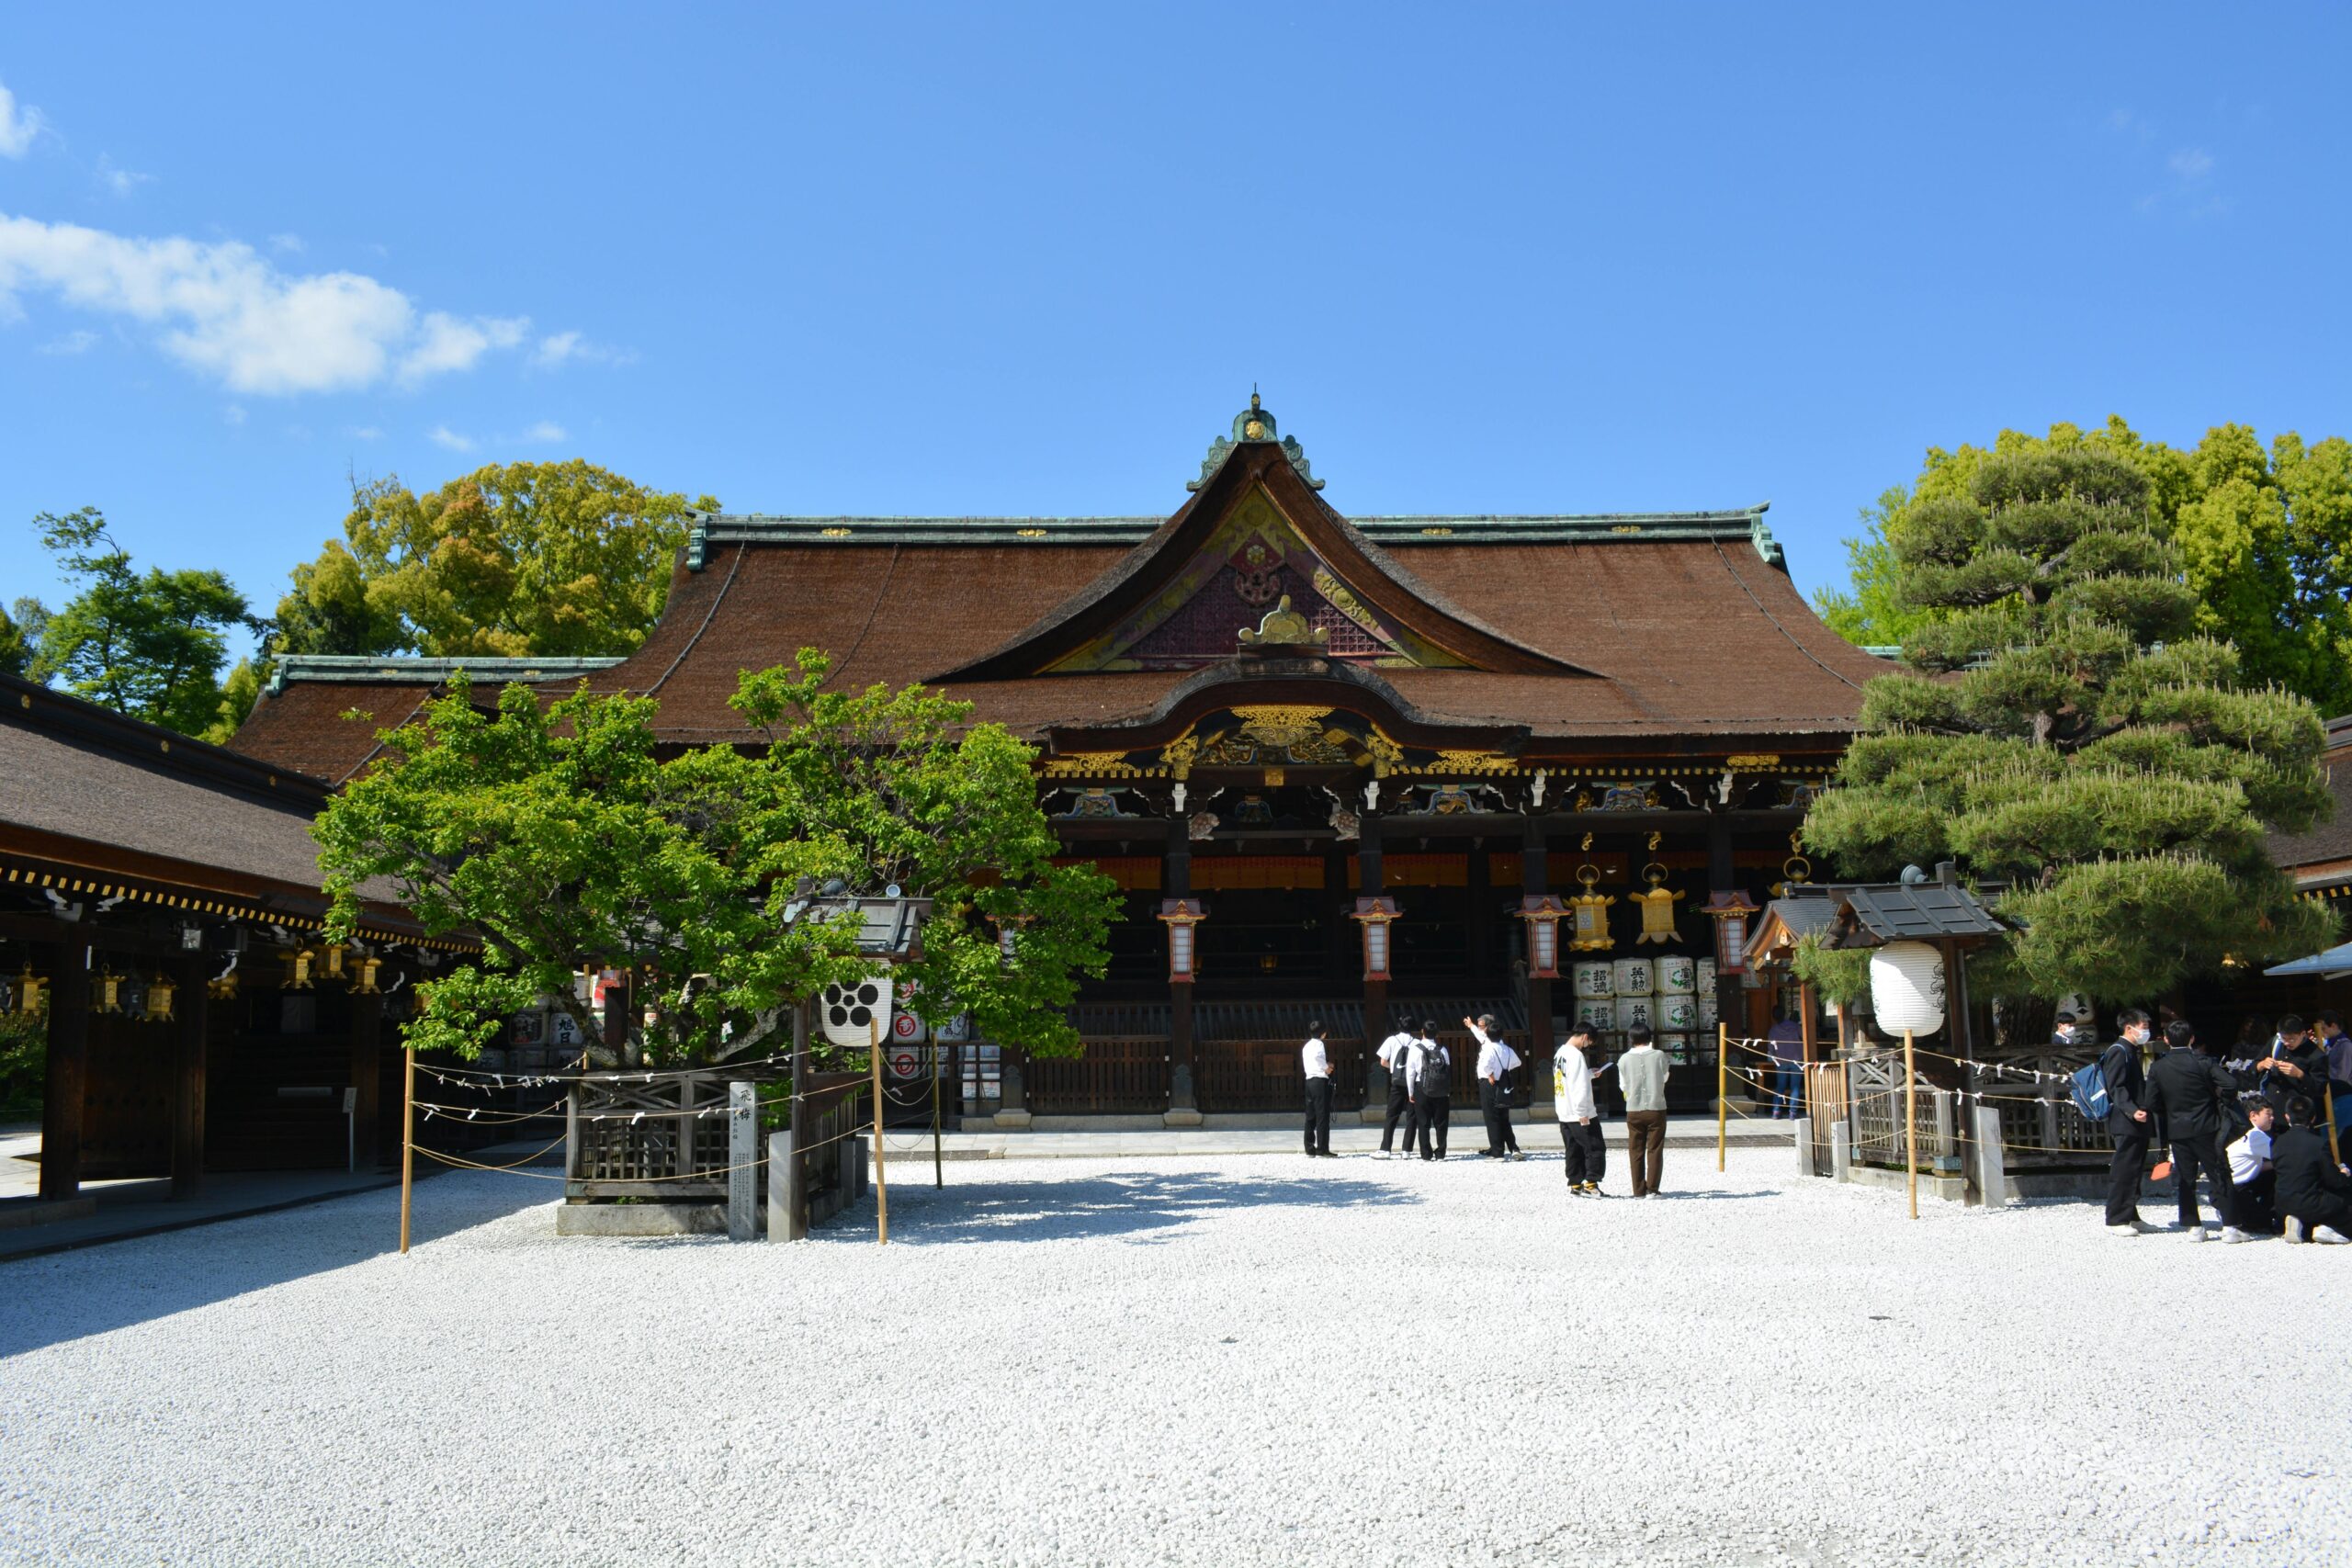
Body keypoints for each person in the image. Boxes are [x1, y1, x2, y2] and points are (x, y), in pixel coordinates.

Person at [2142, 1019, 2238, 1239]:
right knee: (2218, 1174)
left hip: (2177, 1127)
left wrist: (2168, 1111)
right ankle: (2231, 1226)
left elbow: (2151, 1101)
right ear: (2192, 1039)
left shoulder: (2158, 1067)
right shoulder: (2203, 1062)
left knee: (2186, 1177)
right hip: (2207, 1125)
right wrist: (2219, 1100)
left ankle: (2193, 1226)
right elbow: (2230, 1084)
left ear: (2166, 1040)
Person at [2100, 1010, 2156, 1235]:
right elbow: (2116, 1086)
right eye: (2143, 1026)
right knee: (2124, 1170)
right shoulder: (2118, 1050)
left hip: (2136, 1118)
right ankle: (2116, 1219)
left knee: (2134, 1169)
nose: (2146, 1031)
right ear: (2129, 1027)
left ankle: (2131, 1215)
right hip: (2126, 1120)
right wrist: (2132, 1111)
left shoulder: (2131, 1050)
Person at [2274, 1094, 2352, 1244]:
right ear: (2313, 1118)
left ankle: (2298, 1224)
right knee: (2345, 1201)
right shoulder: (2318, 1143)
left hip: (2282, 1204)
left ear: (2287, 1117)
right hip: (2311, 1203)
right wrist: (2344, 1174)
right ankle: (2330, 1228)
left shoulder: (2278, 1141)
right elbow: (2334, 1180)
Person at [1554, 1025, 1609, 1194]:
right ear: (1585, 1037)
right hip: (1579, 1112)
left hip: (1564, 1110)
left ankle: (1575, 1183)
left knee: (1573, 1148)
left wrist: (1589, 1074)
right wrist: (1583, 1112)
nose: (1588, 1045)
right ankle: (1591, 1184)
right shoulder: (1576, 1055)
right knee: (1595, 1147)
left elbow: (1568, 1079)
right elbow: (1579, 1086)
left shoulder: (1560, 1053)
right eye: (1590, 1042)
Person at [1619, 1025, 1670, 1198]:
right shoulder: (1659, 1055)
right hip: (1656, 1107)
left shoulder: (1624, 1059)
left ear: (1631, 1039)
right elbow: (1665, 1077)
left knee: (1635, 1150)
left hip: (1633, 1109)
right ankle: (1652, 1189)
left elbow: (1623, 1085)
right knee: (1655, 1149)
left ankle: (1638, 1190)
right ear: (1650, 1037)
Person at [1464, 1014, 1525, 1160]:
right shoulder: (1506, 1048)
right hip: (1504, 1083)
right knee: (1503, 1117)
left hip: (1489, 1083)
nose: (1480, 1030)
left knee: (1492, 1118)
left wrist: (1491, 1074)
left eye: (1482, 1027)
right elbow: (1517, 1062)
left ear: (1489, 1029)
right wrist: (1504, 1070)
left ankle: (1497, 1152)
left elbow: (1485, 1066)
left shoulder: (1488, 1047)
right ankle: (1512, 1148)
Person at [2222, 1095, 2279, 1241]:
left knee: (2274, 1173)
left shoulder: (2243, 1131)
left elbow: (2260, 1165)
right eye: (2268, 1114)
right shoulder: (2256, 1136)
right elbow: (2284, 1157)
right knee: (2263, 1223)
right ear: (2253, 1115)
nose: (2272, 1118)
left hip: (2233, 1184)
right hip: (2235, 1189)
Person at [1374, 1021, 1419, 1159]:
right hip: (1413, 1083)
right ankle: (1407, 1150)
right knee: (1412, 1116)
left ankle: (1386, 1148)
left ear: (1399, 1027)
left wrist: (1394, 1070)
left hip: (1397, 1083)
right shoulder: (1417, 1042)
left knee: (1392, 1115)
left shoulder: (1392, 1040)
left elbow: (1382, 1061)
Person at [1408, 1020, 1452, 1161]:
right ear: (1436, 1033)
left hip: (1422, 1087)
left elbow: (1410, 1072)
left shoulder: (1416, 1048)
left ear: (1422, 1031)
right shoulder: (1442, 1049)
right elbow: (1447, 1070)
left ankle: (1426, 1154)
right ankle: (1441, 1153)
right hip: (1441, 1089)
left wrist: (1410, 1091)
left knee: (1423, 1122)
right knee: (1441, 1122)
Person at [1300, 1021, 1334, 1158]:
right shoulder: (1319, 1044)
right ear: (1323, 1033)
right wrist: (1327, 1068)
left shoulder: (1306, 1046)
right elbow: (1318, 1058)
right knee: (1322, 1115)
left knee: (1310, 1115)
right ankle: (1322, 1149)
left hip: (1309, 1080)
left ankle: (1309, 1148)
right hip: (1320, 1080)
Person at [1764, 1010, 1804, 1118]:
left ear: (1773, 1017)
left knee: (1780, 1086)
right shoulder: (1795, 1027)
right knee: (1795, 1087)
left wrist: (1772, 1056)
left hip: (1781, 1060)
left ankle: (1776, 1111)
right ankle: (1793, 1113)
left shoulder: (1773, 1030)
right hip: (1797, 1059)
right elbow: (1804, 1038)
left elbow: (1771, 1048)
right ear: (1785, 1014)